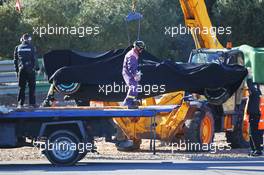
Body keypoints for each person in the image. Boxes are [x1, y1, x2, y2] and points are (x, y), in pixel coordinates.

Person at [14, 33, 39, 108]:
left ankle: (20, 104)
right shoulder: (32, 47)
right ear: (29, 40)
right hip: (30, 69)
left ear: (22, 39)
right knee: (32, 87)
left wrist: (17, 71)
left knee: (21, 87)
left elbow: (15, 60)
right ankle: (32, 103)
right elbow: (35, 59)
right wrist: (37, 68)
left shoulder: (17, 47)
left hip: (21, 69)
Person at [122, 40, 145, 109]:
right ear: (137, 48)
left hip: (130, 73)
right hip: (128, 73)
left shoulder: (134, 54)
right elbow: (131, 67)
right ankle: (127, 103)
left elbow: (133, 66)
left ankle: (131, 101)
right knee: (133, 87)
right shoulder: (132, 55)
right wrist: (135, 75)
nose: (142, 50)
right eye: (141, 48)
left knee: (135, 87)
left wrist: (136, 73)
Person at [247, 69, 263, 156]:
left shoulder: (255, 93)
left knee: (254, 134)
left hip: (255, 115)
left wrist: (249, 76)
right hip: (253, 115)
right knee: (251, 134)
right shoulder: (257, 92)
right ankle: (254, 150)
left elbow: (250, 85)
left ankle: (258, 150)